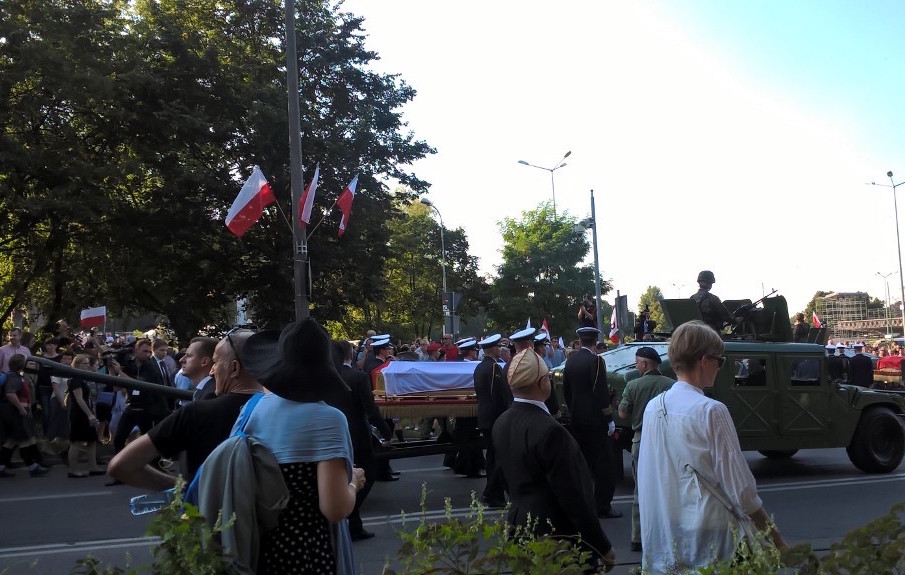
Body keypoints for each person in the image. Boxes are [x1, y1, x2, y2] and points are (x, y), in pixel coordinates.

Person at [638, 320, 786, 573]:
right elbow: (742, 491)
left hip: (672, 539)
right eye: (720, 360)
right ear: (705, 360)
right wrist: (777, 541)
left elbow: (651, 475)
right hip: (716, 541)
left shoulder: (654, 407)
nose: (720, 367)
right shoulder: (711, 410)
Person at [218, 318, 364, 575]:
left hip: (257, 549)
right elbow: (335, 509)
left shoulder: (253, 409)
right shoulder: (328, 419)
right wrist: (353, 481)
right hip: (307, 552)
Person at [492, 348, 616, 573]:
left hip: (519, 528)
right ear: (543, 383)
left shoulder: (501, 422)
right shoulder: (550, 430)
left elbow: (506, 479)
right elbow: (575, 497)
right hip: (556, 537)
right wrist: (601, 546)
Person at [107, 331, 262, 489]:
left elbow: (121, 465)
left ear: (234, 368)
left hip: (208, 503)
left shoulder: (197, 411)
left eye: (215, 363)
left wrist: (184, 488)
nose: (212, 371)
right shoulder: (275, 409)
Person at [332, 339, 391, 541]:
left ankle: (353, 522)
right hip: (357, 435)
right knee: (368, 473)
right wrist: (385, 431)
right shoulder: (357, 377)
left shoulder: (328, 376)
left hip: (334, 434)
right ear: (350, 355)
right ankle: (351, 514)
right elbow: (370, 409)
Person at [617, 346, 675, 552]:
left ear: (644, 364)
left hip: (641, 441)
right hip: (666, 440)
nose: (636, 366)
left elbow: (622, 414)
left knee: (640, 490)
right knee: (668, 488)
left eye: (637, 363)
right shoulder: (672, 385)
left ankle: (638, 537)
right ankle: (667, 535)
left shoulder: (633, 385)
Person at [562, 326, 621, 518]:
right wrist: (609, 418)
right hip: (596, 421)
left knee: (584, 464)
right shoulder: (595, 361)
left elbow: (567, 391)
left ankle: (584, 504)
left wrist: (573, 412)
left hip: (577, 419)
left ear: (579, 340)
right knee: (604, 465)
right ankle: (602, 506)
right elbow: (600, 392)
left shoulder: (570, 361)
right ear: (595, 341)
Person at [473, 333, 512, 508]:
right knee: (499, 458)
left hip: (485, 416)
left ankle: (494, 493)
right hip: (495, 417)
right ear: (493, 348)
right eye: (498, 347)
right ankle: (492, 494)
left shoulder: (480, 367)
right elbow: (499, 395)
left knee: (491, 457)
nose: (500, 349)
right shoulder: (495, 368)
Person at [0, 354, 50, 477]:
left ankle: (1, 468)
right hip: (14, 413)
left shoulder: (15, 376)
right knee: (23, 440)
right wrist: (21, 408)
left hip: (11, 412)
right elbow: (10, 394)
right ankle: (33, 468)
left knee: (12, 441)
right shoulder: (14, 377)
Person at [66, 354, 105, 478]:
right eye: (85, 363)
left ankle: (93, 467)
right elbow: (79, 399)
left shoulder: (82, 378)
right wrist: (89, 414)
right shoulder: (76, 379)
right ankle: (72, 470)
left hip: (86, 412)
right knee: (76, 441)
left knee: (92, 440)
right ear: (77, 365)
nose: (88, 366)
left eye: (88, 363)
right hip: (79, 414)